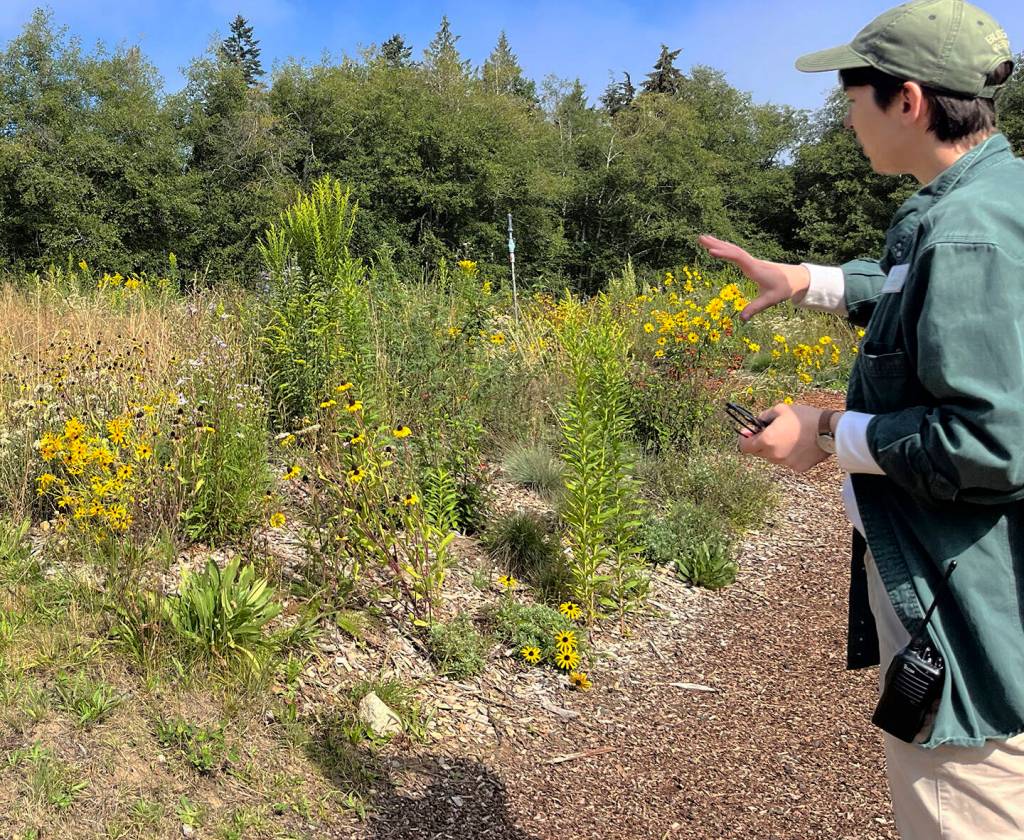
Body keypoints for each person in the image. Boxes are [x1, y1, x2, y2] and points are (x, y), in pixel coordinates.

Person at [699, 1, 1024, 836]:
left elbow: (990, 444)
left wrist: (825, 435)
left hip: (969, 608)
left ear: (907, 101)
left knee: (964, 806)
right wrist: (808, 279)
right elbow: (929, 294)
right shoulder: (989, 202)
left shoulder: (967, 234)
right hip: (982, 586)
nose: (845, 118)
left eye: (851, 99)